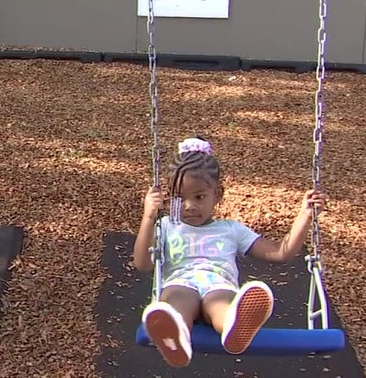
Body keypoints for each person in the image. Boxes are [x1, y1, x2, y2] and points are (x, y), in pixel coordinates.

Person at [132, 137, 327, 367]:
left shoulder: (231, 230)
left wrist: (305, 216)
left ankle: (234, 327)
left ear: (218, 194)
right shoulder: (165, 226)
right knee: (175, 301)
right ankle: (175, 335)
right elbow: (142, 263)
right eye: (179, 197)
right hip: (180, 283)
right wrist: (148, 217)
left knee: (222, 305)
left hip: (218, 286)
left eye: (199, 197)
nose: (189, 206)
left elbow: (279, 253)